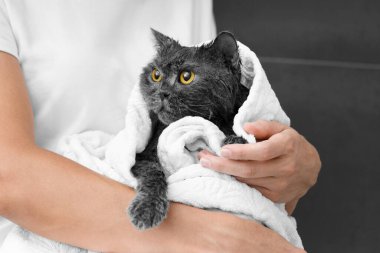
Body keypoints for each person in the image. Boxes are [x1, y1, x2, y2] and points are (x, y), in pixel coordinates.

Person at [0, 0, 321, 252]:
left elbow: (203, 129)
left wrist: (283, 170)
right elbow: (7, 173)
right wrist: (207, 236)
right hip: (52, 229)